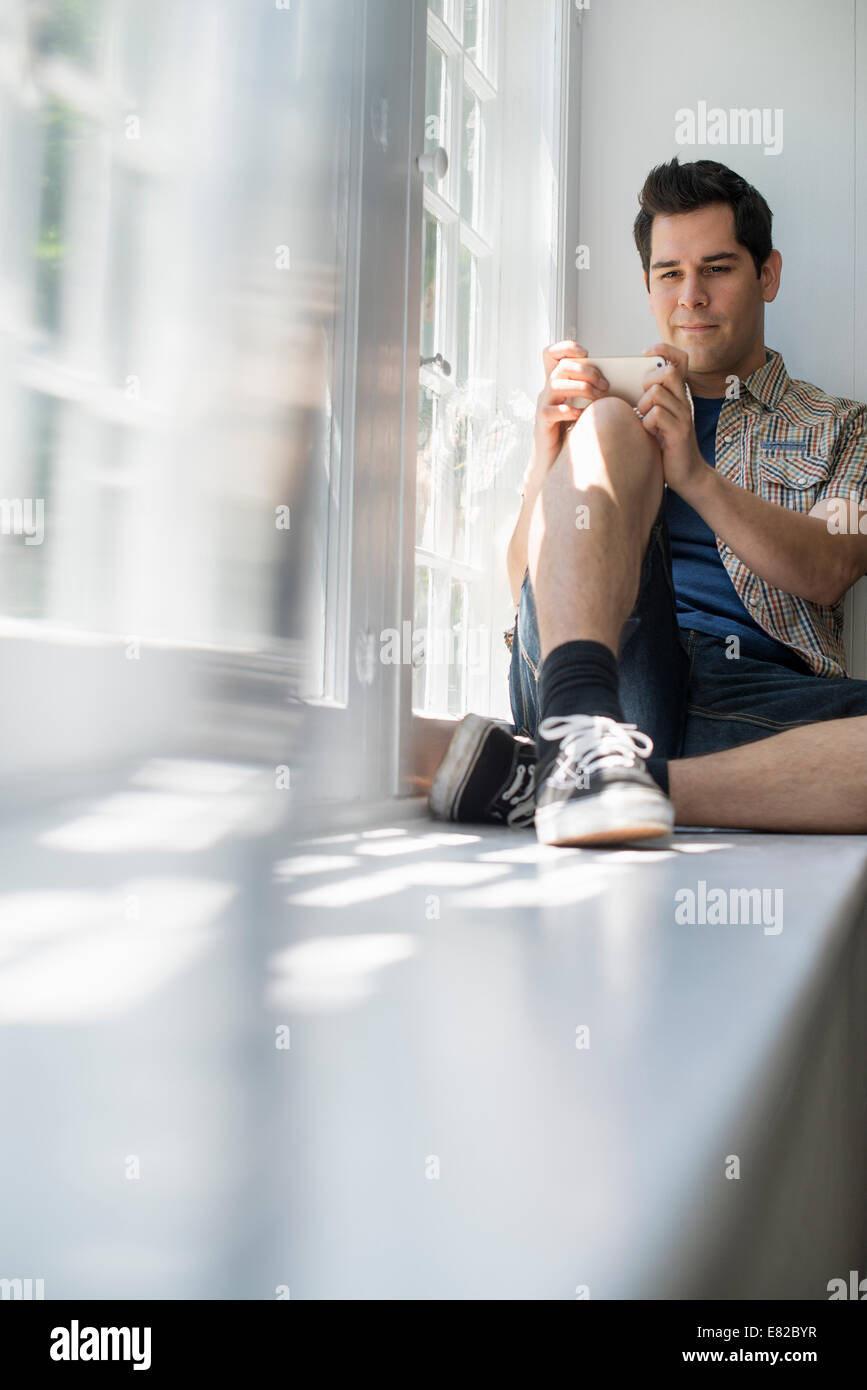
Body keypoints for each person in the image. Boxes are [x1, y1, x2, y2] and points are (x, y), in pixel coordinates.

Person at [429, 157, 867, 846]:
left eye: (717, 269)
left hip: (760, 701)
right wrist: (550, 457)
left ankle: (567, 777)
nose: (689, 296)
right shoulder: (609, 413)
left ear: (767, 275)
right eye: (669, 274)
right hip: (598, 673)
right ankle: (582, 732)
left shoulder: (843, 426)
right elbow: (521, 595)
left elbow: (830, 568)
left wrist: (693, 475)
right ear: (648, 284)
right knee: (609, 427)